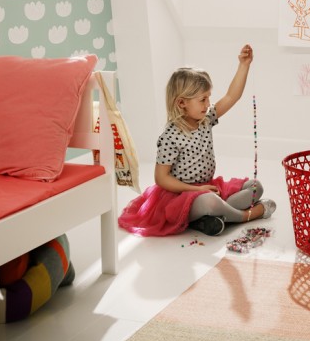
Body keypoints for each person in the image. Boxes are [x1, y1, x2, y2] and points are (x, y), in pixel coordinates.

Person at [118, 44, 276, 237]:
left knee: (255, 187)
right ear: (181, 103)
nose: (208, 104)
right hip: (181, 195)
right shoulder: (170, 136)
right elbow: (161, 178)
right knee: (210, 202)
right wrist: (196, 189)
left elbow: (231, 96)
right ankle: (246, 215)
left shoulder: (206, 119)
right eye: (202, 99)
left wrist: (244, 65)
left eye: (208, 98)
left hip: (208, 187)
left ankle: (211, 219)